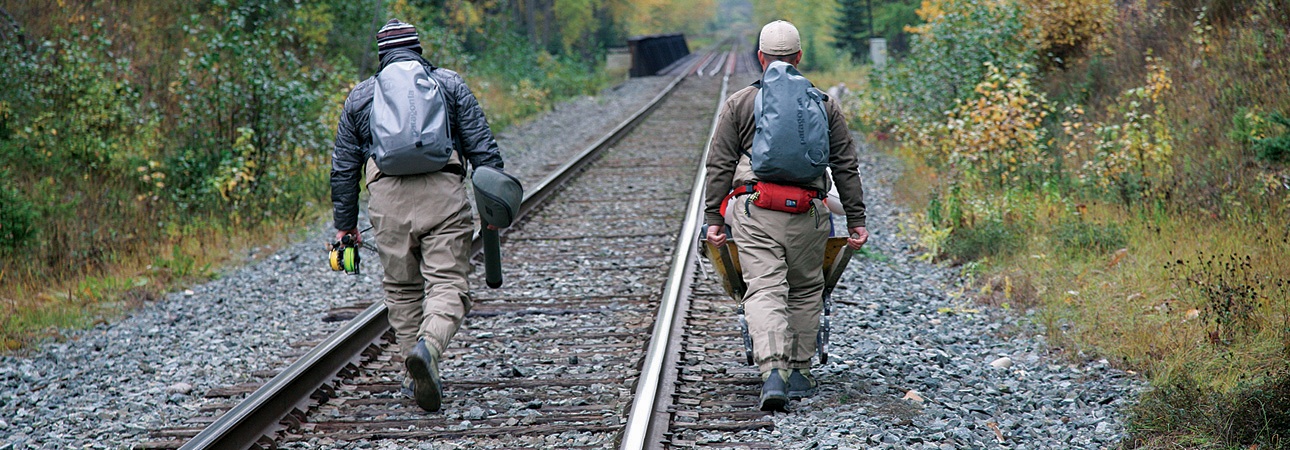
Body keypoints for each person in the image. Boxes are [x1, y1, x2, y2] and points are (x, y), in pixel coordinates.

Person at [331, 19, 505, 412]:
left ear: (381, 55)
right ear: (418, 50)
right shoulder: (449, 84)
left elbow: (343, 168)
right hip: (443, 193)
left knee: (403, 289)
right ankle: (429, 348)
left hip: (387, 201)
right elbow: (484, 150)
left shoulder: (361, 97)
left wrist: (345, 226)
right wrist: (492, 209)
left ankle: (416, 371)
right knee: (447, 283)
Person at [703, 20, 869, 411]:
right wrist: (856, 220)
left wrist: (714, 216)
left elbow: (719, 165)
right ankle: (799, 371)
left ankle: (772, 371)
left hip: (755, 209)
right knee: (806, 288)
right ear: (798, 58)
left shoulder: (740, 103)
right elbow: (845, 165)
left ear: (761, 58)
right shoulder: (824, 103)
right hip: (808, 212)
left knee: (764, 288)